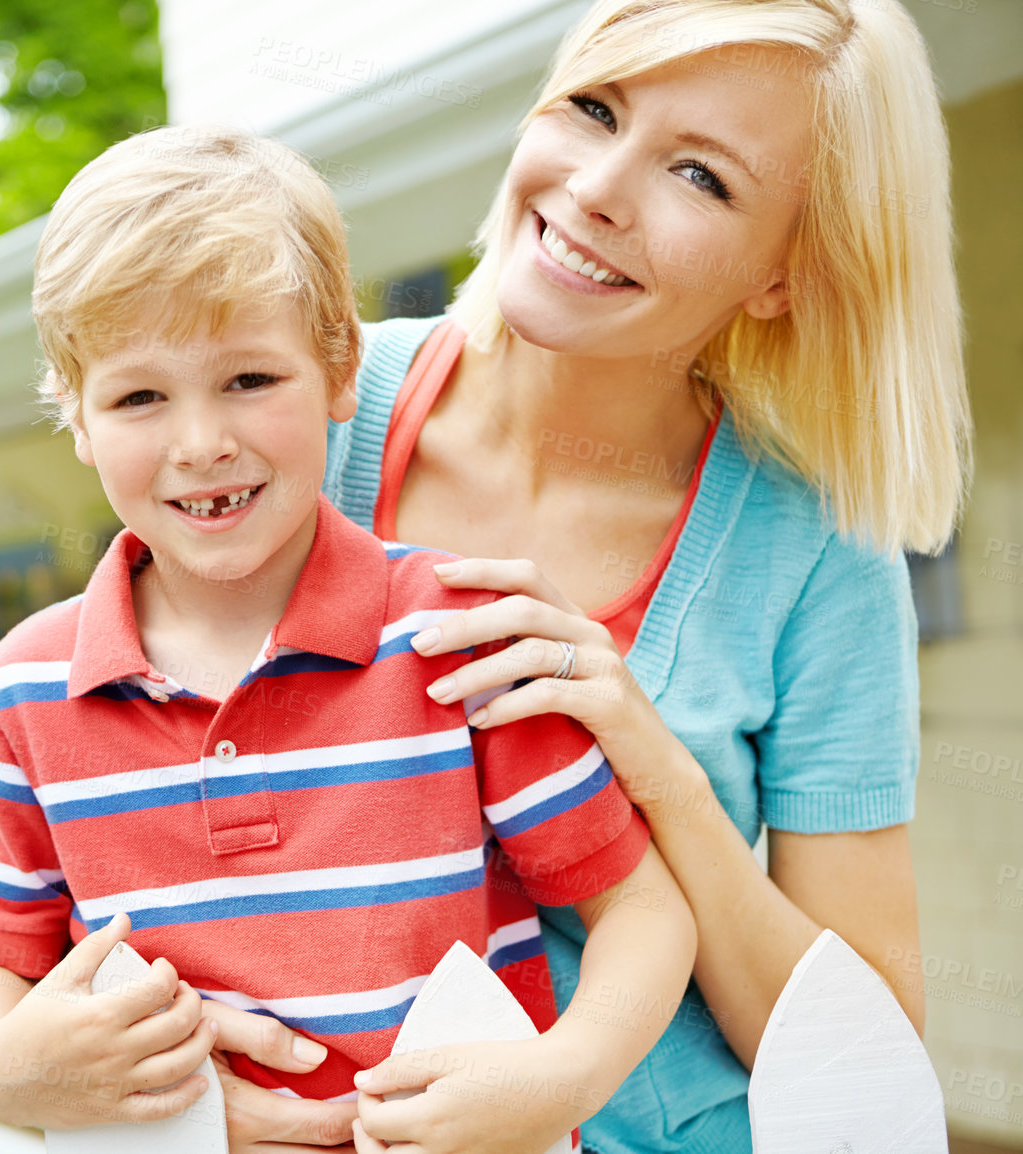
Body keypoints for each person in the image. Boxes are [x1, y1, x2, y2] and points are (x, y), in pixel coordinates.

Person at [0, 124, 696, 1154]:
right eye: (138, 395)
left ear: (341, 367)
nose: (201, 440)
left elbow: (641, 912)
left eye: (249, 379)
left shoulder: (452, 637)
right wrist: (1, 1070)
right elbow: (1, 969)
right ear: (75, 416)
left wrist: (562, 1073)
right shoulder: (23, 692)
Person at [306, 1, 970, 1151]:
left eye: (701, 177)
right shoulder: (299, 412)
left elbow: (861, 1051)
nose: (598, 187)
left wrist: (650, 760)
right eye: (594, 109)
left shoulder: (816, 553)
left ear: (780, 274)